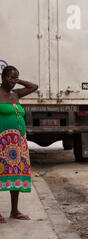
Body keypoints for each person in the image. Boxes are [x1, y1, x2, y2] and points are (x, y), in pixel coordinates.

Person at [0, 65, 38, 223]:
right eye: (10, 78)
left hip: (17, 143)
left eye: (15, 79)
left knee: (15, 173)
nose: (13, 82)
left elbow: (34, 87)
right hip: (2, 141)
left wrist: (17, 80)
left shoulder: (16, 94)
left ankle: (14, 211)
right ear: (2, 77)